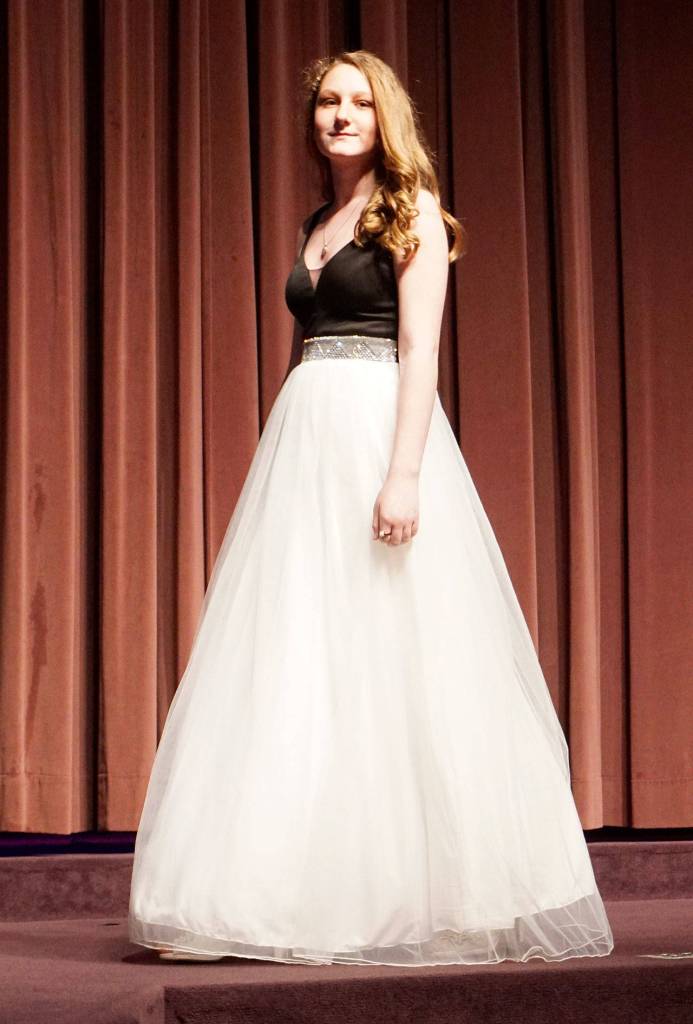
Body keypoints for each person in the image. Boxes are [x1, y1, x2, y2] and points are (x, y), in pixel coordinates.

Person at [128, 50, 614, 968]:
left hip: (374, 433)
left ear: (384, 115)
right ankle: (283, 888)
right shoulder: (320, 218)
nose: (340, 116)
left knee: (395, 649)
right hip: (305, 441)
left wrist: (403, 473)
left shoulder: (412, 210)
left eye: (357, 102)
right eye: (326, 103)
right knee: (301, 650)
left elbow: (422, 354)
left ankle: (417, 892)